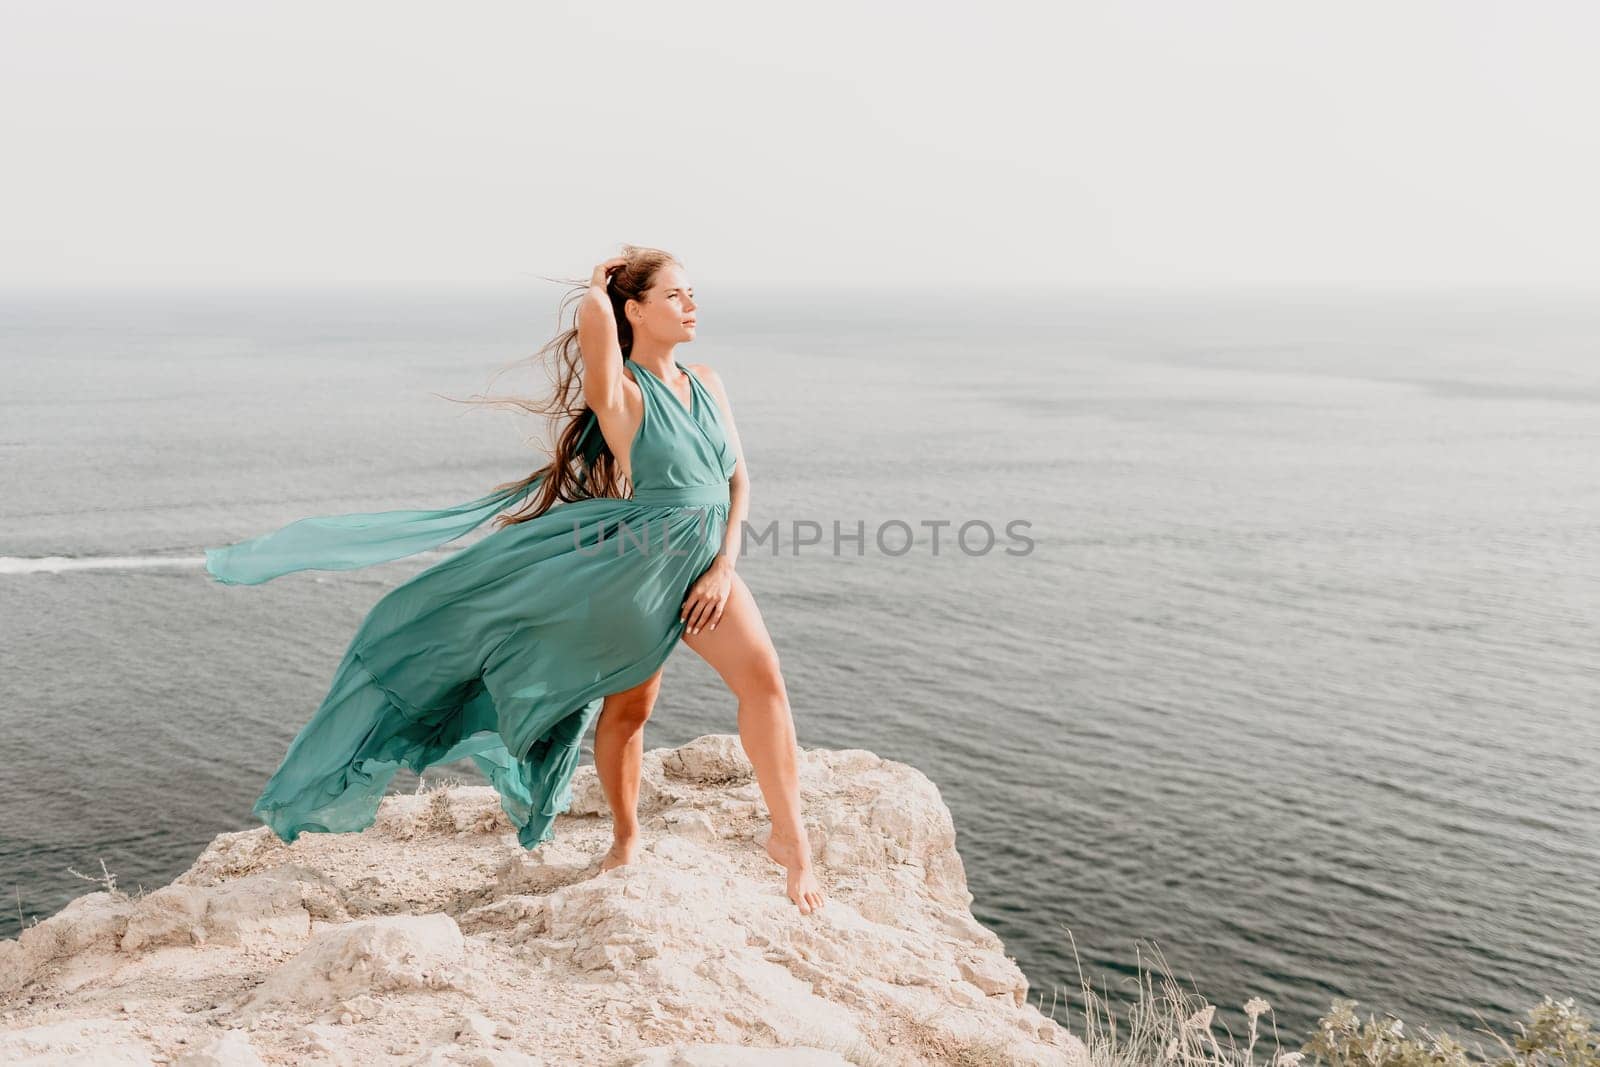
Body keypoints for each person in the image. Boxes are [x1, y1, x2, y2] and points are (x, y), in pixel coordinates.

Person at [203, 246, 825, 915]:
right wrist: (597, 286)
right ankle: (625, 838)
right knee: (631, 708)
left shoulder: (707, 380)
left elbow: (738, 481)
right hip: (636, 575)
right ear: (636, 310)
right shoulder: (622, 396)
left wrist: (724, 564)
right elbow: (596, 331)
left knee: (764, 680)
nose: (691, 304)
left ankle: (789, 837)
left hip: (706, 567)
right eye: (674, 295)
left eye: (692, 292)